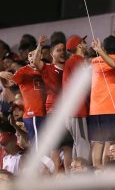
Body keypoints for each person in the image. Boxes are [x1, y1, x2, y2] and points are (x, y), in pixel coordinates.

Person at [33, 35, 73, 173]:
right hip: (54, 111)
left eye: (64, 50)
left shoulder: (70, 68)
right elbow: (35, 60)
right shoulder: (48, 68)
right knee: (55, 146)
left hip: (70, 111)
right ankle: (56, 177)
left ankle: (68, 176)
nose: (62, 52)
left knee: (68, 146)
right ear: (51, 54)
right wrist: (39, 45)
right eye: (58, 50)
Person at [89, 35, 115, 168]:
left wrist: (99, 50)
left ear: (103, 47)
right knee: (109, 143)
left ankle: (98, 176)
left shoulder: (94, 61)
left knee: (98, 143)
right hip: (110, 108)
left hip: (95, 109)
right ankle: (105, 175)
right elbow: (114, 64)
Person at [0, 50, 46, 149]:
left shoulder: (45, 69)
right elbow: (9, 82)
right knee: (36, 146)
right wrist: (1, 74)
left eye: (15, 69)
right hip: (33, 114)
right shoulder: (23, 73)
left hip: (45, 111)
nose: (14, 72)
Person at [62, 35, 90, 161]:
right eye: (83, 42)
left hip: (72, 109)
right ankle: (81, 174)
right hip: (77, 109)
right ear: (78, 45)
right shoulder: (76, 61)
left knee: (77, 143)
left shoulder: (73, 61)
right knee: (82, 143)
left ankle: (75, 171)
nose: (86, 44)